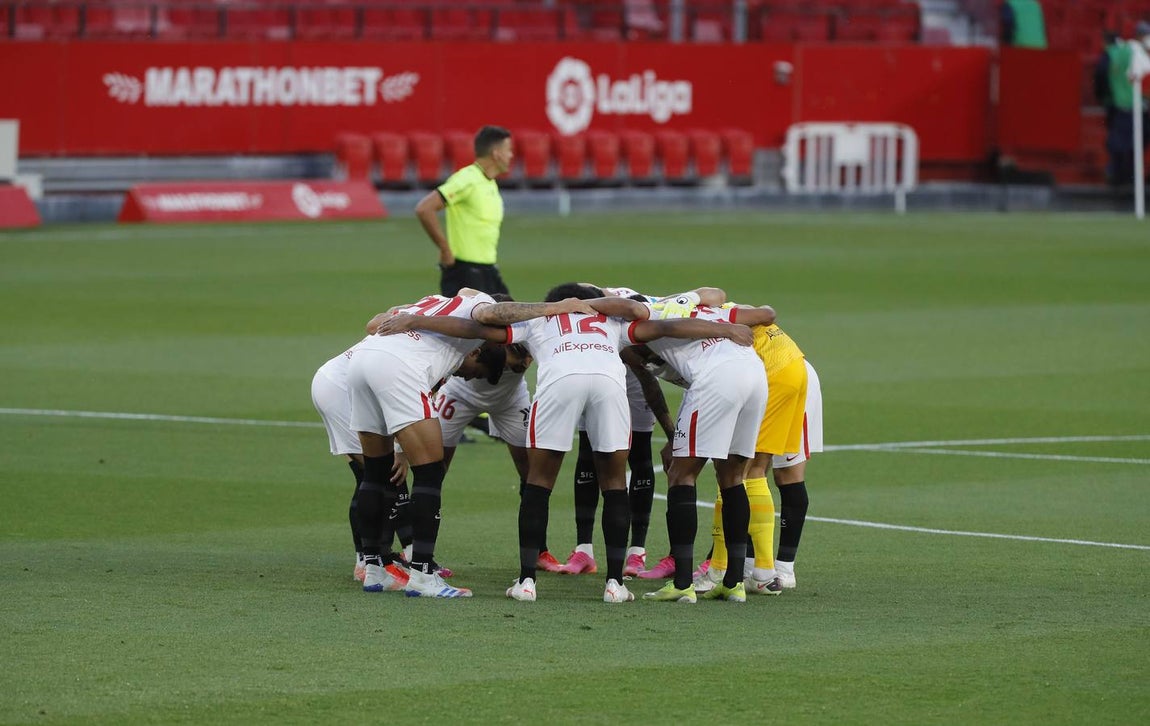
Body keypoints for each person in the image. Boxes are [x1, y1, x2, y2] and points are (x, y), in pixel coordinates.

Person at [376, 284, 755, 603]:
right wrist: (720, 330)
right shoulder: (611, 320)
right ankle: (616, 584)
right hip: (607, 382)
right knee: (614, 483)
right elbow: (662, 325)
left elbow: (473, 327)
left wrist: (414, 320)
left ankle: (526, 582)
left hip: (561, 379)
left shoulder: (540, 318)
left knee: (539, 480)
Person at [349, 290, 596, 597]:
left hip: (360, 362)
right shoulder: (480, 308)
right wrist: (559, 306)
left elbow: (374, 324)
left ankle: (374, 569)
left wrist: (412, 319)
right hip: (403, 369)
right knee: (429, 473)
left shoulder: (433, 303)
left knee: (375, 471)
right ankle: (423, 574)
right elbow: (488, 315)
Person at [619, 302, 776, 604]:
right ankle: (733, 583)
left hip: (718, 379)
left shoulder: (646, 322)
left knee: (680, 473)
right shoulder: (700, 308)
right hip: (755, 375)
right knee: (732, 476)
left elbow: (653, 345)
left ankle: (681, 584)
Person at [311, 338, 410, 587]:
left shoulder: (422, 325)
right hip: (341, 389)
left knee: (378, 476)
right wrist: (401, 451)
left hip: (347, 384)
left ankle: (389, 557)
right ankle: (368, 562)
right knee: (377, 475)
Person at [415, 126, 514, 297]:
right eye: (508, 150)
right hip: (464, 274)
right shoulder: (467, 180)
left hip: (488, 271)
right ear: (497, 153)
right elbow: (425, 208)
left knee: (512, 318)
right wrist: (445, 249)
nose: (511, 155)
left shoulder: (488, 182)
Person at [1095, 26, 1150, 187]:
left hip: (1125, 106)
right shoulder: (1135, 53)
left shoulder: (1117, 53)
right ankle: (1122, 179)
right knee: (1126, 146)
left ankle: (1122, 178)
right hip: (1131, 107)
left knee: (1124, 145)